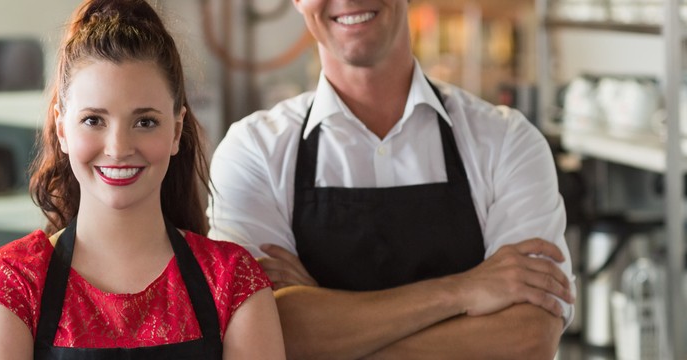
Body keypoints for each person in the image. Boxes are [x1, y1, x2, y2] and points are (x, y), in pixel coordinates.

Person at [207, 0, 575, 358]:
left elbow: (528, 337)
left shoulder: (506, 141)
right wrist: (463, 291)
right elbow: (253, 337)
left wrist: (325, 330)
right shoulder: (254, 151)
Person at [0, 1, 285, 359]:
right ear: (62, 130)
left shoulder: (231, 280)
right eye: (93, 120)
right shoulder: (16, 281)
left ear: (176, 130)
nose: (118, 148)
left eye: (145, 121)